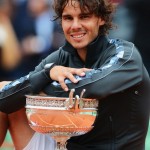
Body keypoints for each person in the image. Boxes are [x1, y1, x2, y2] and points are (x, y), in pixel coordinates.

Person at [0, 0, 150, 149]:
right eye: (68, 18)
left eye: (84, 17)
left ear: (101, 18)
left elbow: (91, 88)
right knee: (5, 88)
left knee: (24, 90)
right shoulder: (59, 58)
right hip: (64, 146)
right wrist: (46, 74)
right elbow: (3, 98)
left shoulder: (126, 55)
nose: (75, 26)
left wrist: (40, 84)